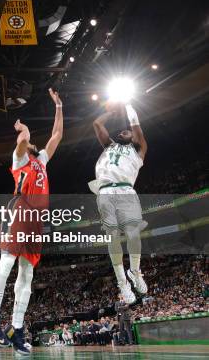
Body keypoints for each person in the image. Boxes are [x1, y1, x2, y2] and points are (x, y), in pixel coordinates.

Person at [0, 88, 63, 355]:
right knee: (6, 261)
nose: (30, 141)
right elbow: (22, 141)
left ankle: (17, 330)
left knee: (27, 274)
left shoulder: (40, 160)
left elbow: (57, 136)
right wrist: (23, 129)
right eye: (27, 140)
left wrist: (59, 107)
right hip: (19, 209)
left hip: (36, 220)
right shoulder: (20, 159)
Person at [91, 103, 148, 303]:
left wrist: (127, 103)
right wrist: (110, 111)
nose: (124, 132)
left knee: (133, 233)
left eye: (128, 132)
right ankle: (122, 282)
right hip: (105, 190)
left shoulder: (138, 150)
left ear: (133, 138)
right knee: (112, 236)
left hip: (126, 190)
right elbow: (97, 123)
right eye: (121, 131)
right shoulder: (109, 145)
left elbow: (136, 125)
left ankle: (135, 271)